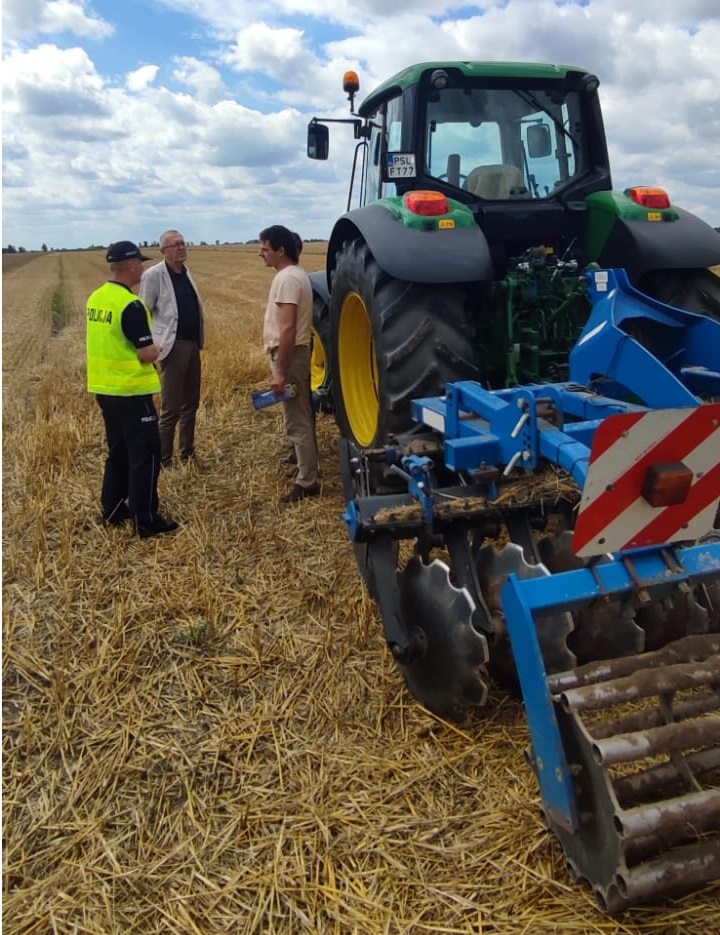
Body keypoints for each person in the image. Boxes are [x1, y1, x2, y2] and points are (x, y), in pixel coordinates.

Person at [86, 240, 179, 538]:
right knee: (146, 454)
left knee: (118, 451)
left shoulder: (96, 298)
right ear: (129, 265)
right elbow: (146, 352)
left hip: (104, 389)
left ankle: (113, 510)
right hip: (132, 392)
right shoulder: (130, 305)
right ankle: (146, 519)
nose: (142, 268)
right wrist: (158, 347)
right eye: (139, 263)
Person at [259, 225, 319, 502]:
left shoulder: (287, 279)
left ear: (281, 250)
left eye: (265, 248)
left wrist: (280, 372)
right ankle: (306, 470)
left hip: (291, 357)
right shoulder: (296, 275)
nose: (261, 253)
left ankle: (307, 482)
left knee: (297, 420)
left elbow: (287, 330)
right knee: (300, 414)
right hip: (295, 354)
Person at [139, 229, 205, 468]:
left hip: (192, 344)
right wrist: (150, 344)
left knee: (191, 404)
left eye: (183, 243)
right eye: (175, 244)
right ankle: (164, 459)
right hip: (172, 347)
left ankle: (187, 453)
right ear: (163, 251)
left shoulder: (186, 272)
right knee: (171, 408)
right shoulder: (153, 276)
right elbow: (143, 311)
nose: (181, 247)